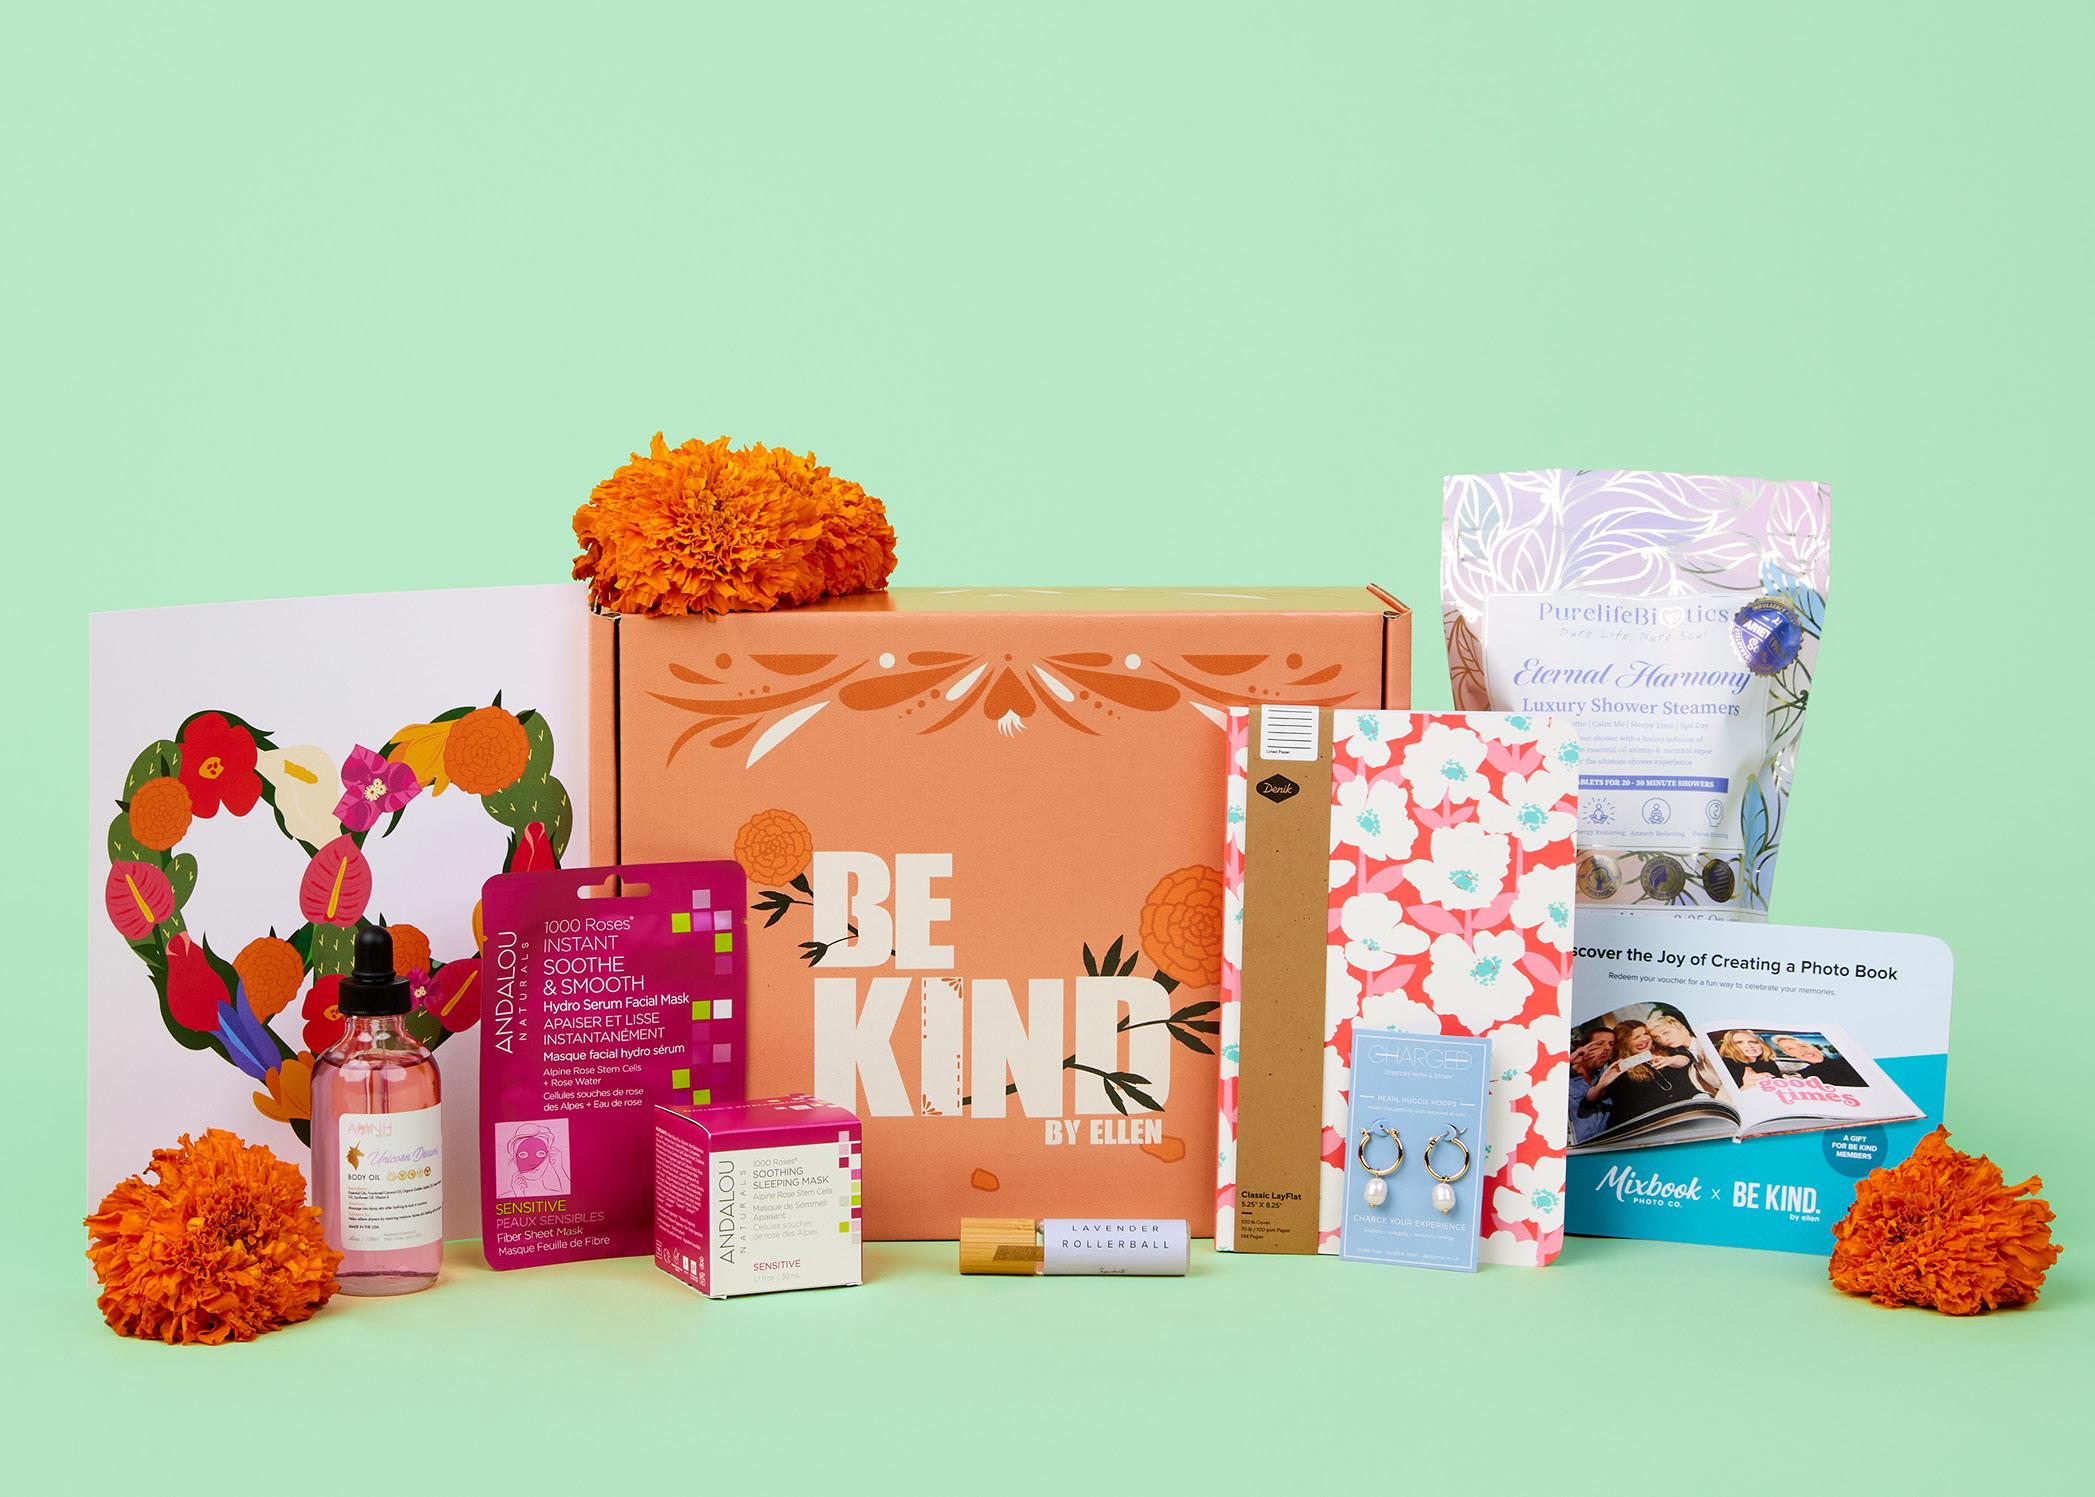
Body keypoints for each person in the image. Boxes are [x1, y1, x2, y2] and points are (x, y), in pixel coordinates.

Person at [1578, 1019, 1701, 1126]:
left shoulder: (1665, 1051)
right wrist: (1601, 1085)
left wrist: (1670, 1060)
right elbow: (1588, 1102)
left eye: (1645, 1034)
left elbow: (1686, 1058)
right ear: (1624, 1044)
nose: (1644, 1039)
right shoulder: (1619, 1068)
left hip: (1688, 1112)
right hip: (1650, 1124)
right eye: (1636, 1037)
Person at [1644, 1011, 1723, 1097]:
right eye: (1657, 1037)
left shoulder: (1710, 1045)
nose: (1663, 1040)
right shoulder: (1683, 1055)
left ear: (1683, 1029)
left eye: (1666, 1033)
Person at [1567, 1024, 1617, 1143]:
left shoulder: (1607, 1075)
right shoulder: (1564, 1077)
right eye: (1600, 1044)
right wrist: (1567, 1062)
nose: (1607, 1048)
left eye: (1611, 1044)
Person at [1769, 1034, 1867, 1089]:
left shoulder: (1843, 1059)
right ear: (1789, 1054)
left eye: (1802, 1045)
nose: (1802, 1050)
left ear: (1813, 1046)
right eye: (1790, 1049)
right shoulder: (1807, 1074)